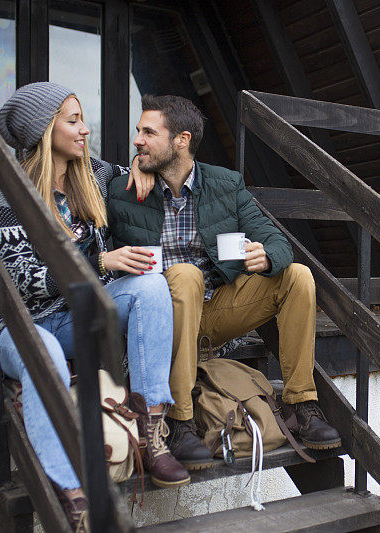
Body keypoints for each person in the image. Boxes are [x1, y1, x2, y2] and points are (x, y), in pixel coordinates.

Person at [0, 83, 189, 531]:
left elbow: (156, 165)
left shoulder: (95, 175)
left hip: (78, 315)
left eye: (82, 119)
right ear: (44, 130)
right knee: (41, 352)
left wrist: (143, 169)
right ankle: (72, 495)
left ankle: (152, 432)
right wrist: (98, 261)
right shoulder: (6, 193)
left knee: (151, 287)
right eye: (73, 120)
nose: (85, 130)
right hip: (20, 322)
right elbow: (21, 278)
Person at [106, 95, 341, 470]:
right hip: (158, 319)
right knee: (185, 274)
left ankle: (302, 403)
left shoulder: (225, 184)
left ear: (182, 140)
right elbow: (76, 159)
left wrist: (267, 256)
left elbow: (278, 241)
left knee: (297, 275)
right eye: (138, 132)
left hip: (214, 310)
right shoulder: (121, 188)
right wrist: (136, 164)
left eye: (148, 133)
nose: (138, 139)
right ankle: (180, 421)